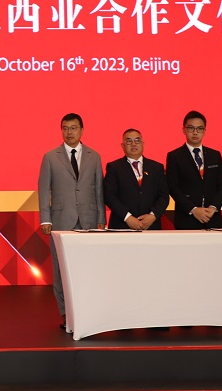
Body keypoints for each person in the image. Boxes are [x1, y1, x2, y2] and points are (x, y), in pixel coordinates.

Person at [38, 113, 104, 330]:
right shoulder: (50, 157)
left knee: (88, 267)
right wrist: (45, 219)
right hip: (60, 220)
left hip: (89, 220)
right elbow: (43, 189)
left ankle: (88, 310)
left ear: (82, 130)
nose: (69, 132)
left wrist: (101, 219)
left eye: (73, 128)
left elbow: (99, 190)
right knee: (61, 269)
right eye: (65, 128)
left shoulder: (94, 156)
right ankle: (65, 312)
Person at [166, 111, 222, 230]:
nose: (195, 132)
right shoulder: (174, 156)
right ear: (184, 130)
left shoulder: (215, 155)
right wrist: (193, 209)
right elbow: (173, 187)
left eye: (199, 129)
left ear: (204, 131)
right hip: (187, 218)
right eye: (191, 128)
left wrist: (213, 208)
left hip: (212, 217)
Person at [104, 129, 169, 230]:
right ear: (122, 146)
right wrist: (128, 218)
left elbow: (164, 196)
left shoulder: (156, 167)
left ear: (143, 144)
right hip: (122, 225)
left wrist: (153, 216)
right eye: (129, 141)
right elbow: (109, 196)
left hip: (151, 225)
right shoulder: (114, 167)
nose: (133, 144)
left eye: (137, 140)